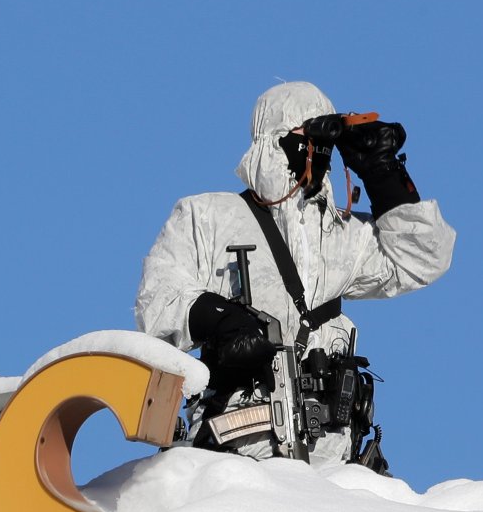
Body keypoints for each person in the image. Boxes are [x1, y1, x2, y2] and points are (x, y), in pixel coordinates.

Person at [134, 81, 455, 468]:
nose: (316, 152)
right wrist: (219, 320)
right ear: (275, 139)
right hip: (236, 454)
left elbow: (421, 260)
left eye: (326, 143)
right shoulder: (207, 217)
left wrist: (382, 173)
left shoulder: (340, 232)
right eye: (306, 137)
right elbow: (158, 299)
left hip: (333, 464)